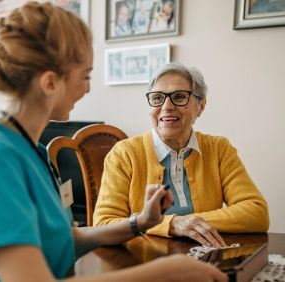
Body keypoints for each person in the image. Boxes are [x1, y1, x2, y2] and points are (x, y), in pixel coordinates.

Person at [0, 3, 227, 282]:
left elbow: (65, 238)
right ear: (50, 82)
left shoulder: (34, 151)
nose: (87, 88)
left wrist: (140, 222)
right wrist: (161, 273)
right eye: (85, 76)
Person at [94, 62, 269, 248]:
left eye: (179, 97)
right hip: (142, 261)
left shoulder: (219, 149)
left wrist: (190, 223)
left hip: (205, 260)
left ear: (200, 106)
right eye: (157, 98)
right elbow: (104, 224)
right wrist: (172, 224)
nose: (167, 106)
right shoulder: (124, 154)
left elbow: (257, 212)